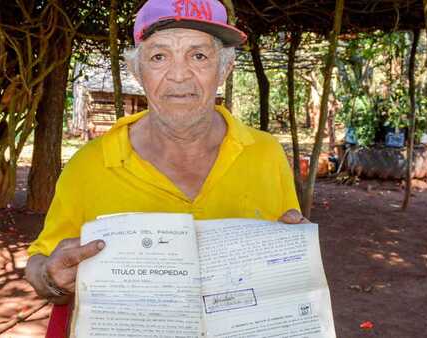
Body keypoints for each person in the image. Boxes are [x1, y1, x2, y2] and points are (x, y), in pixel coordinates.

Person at [25, 0, 307, 313]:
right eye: (159, 56)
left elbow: (284, 261)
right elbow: (41, 263)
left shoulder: (265, 154)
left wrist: (295, 251)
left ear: (225, 68)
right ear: (137, 70)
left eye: (198, 55)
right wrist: (51, 278)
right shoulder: (89, 165)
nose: (179, 76)